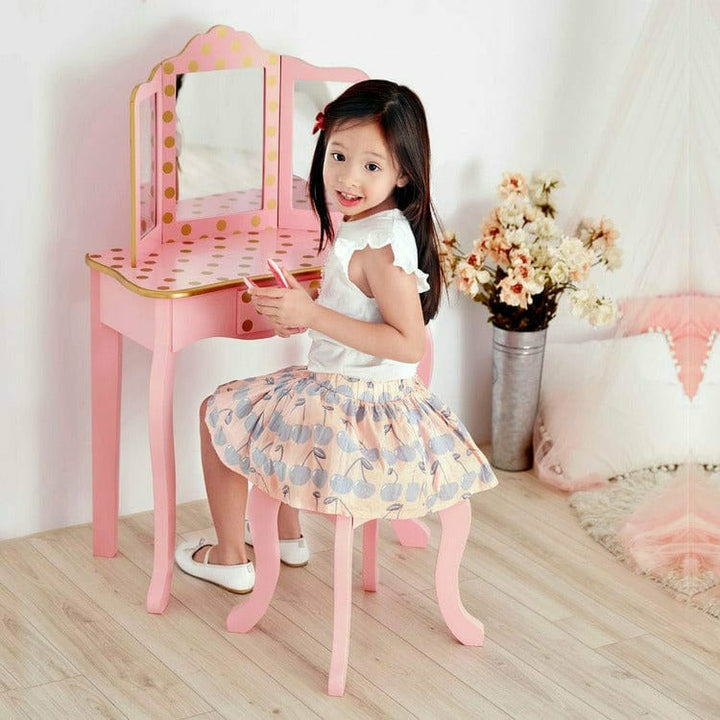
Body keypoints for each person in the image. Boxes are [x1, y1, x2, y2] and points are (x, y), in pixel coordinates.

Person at [175, 79, 498, 593]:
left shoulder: (376, 245)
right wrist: (307, 311)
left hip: (352, 405)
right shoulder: (377, 225)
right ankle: (285, 538)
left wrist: (314, 315)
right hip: (361, 395)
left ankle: (230, 555)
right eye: (338, 156)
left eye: (371, 166)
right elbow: (362, 310)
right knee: (275, 404)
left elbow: (408, 344)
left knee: (219, 411)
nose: (348, 178)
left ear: (403, 174)